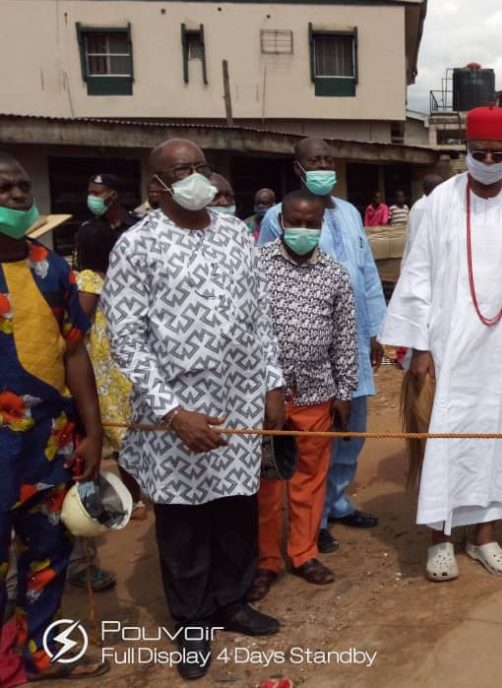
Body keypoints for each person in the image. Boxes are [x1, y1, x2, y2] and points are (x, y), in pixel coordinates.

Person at [106, 139, 285, 680]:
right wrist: (172, 410)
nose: (197, 177)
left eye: (202, 167)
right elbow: (126, 339)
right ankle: (192, 622)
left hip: (238, 403)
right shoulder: (137, 245)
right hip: (175, 416)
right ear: (157, 184)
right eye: (183, 169)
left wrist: (273, 383)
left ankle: (231, 601)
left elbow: (260, 316)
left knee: (234, 509)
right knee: (183, 522)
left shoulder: (235, 233)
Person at [379, 105, 502, 582]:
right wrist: (420, 348)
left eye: (497, 153)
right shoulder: (437, 204)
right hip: (450, 347)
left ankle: (485, 537)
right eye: (479, 153)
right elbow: (418, 278)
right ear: (464, 151)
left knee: (498, 439)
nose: (488, 161)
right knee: (448, 439)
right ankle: (441, 539)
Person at [0, 153, 107, 681]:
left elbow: (74, 353)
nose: (18, 196)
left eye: (22, 187)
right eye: (4, 188)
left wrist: (93, 432)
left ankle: (39, 651)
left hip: (48, 444)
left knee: (47, 556)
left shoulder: (52, 267)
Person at [259, 138, 386, 554]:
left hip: (353, 341)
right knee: (315, 437)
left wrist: (375, 331)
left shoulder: (349, 213)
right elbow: (269, 284)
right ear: (299, 168)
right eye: (316, 160)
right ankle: (317, 519)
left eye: (329, 159)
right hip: (307, 352)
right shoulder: (282, 217)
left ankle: (338, 501)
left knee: (352, 430)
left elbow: (367, 274)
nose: (324, 165)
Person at [248, 191, 358, 602]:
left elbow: (345, 338)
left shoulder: (334, 274)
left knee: (310, 478)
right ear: (280, 221)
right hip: (265, 399)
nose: (303, 230)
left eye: (312, 224)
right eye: (296, 221)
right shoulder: (256, 265)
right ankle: (265, 560)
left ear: (321, 226)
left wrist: (345, 391)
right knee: (268, 482)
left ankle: (303, 552)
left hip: (316, 393)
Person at [67, 221, 143, 597]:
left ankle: (132, 495)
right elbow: (77, 329)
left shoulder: (100, 276)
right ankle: (121, 500)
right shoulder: (89, 281)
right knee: (117, 433)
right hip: (98, 365)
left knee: (125, 433)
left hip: (110, 364)